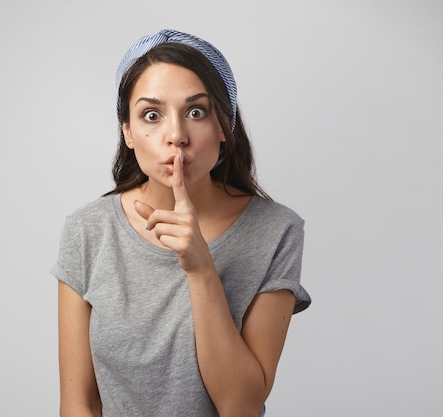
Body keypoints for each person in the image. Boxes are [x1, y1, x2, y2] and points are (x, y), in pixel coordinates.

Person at [51, 29, 311, 417]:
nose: (176, 136)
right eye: (151, 115)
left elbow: (240, 406)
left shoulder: (276, 231)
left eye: (196, 112)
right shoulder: (87, 231)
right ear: (128, 133)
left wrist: (201, 267)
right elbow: (78, 405)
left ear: (224, 126)